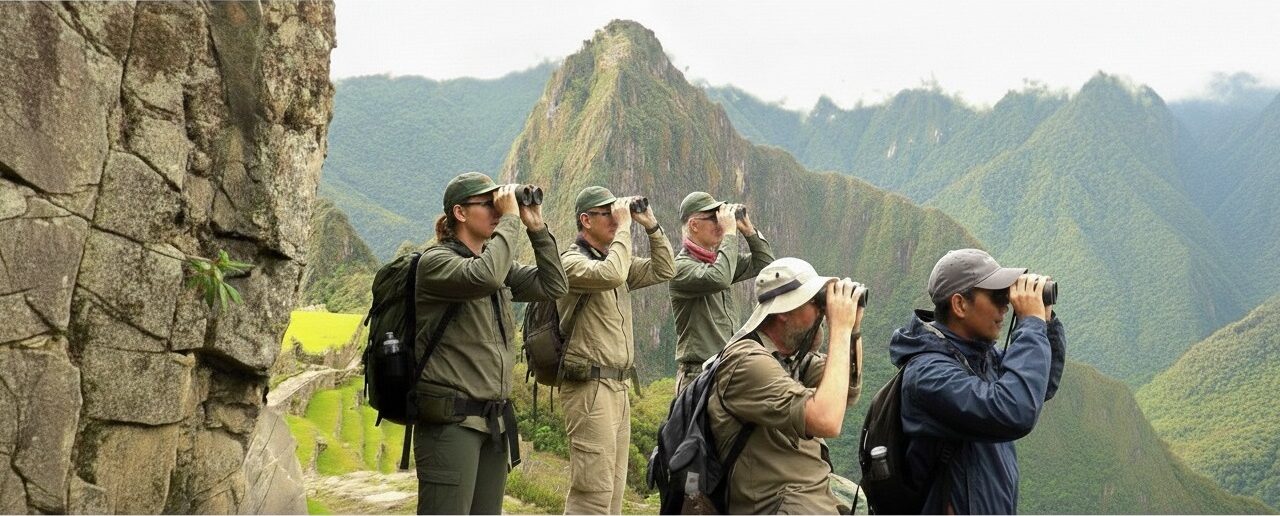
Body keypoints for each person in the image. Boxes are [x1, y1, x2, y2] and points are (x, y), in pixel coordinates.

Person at [411, 172, 568, 514]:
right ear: (460, 213)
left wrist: (536, 227)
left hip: (493, 422)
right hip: (451, 424)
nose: (497, 210)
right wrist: (510, 219)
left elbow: (554, 285)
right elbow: (485, 276)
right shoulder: (436, 262)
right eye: (488, 204)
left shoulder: (498, 268)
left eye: (499, 203)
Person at [889, 248, 1066, 514]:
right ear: (960, 305)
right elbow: (1016, 411)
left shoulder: (979, 357)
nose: (1005, 306)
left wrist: (1045, 320)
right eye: (997, 296)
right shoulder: (928, 376)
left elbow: (1040, 386)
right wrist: (1029, 324)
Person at [708, 257, 865, 514]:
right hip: (779, 507)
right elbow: (827, 420)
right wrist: (840, 329)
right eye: (816, 303)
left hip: (810, 499)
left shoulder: (792, 358)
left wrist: (852, 331)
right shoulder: (746, 361)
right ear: (783, 312)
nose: (822, 313)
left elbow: (848, 391)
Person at [558, 186, 676, 514]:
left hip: (619, 386)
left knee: (613, 491)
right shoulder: (571, 262)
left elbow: (665, 269)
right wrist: (625, 227)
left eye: (617, 212)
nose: (614, 218)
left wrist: (650, 224)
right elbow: (610, 275)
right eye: (606, 214)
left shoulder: (615, 261)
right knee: (592, 490)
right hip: (589, 388)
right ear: (585, 220)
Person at [669, 192, 774, 394]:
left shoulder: (719, 262)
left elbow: (765, 264)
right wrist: (729, 234)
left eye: (721, 217)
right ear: (694, 225)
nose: (720, 223)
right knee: (698, 427)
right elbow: (719, 278)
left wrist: (748, 230)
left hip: (728, 371)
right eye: (712, 218)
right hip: (698, 376)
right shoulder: (680, 268)